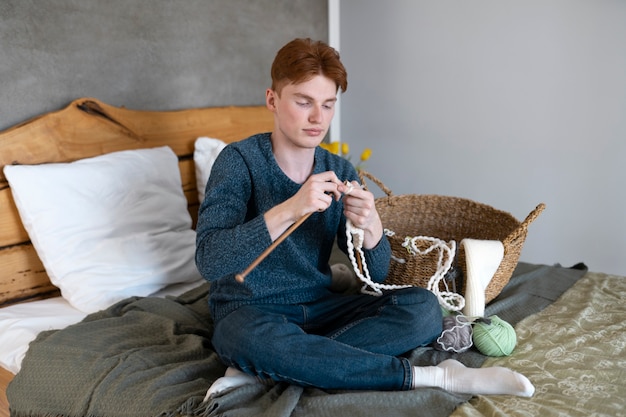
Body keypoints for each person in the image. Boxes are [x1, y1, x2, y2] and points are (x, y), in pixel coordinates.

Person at [195, 38, 534, 398]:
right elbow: (210, 259)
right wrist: (290, 208)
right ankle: (435, 376)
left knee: (422, 309)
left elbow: (377, 274)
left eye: (328, 105)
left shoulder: (339, 168)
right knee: (246, 339)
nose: (317, 118)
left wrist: (371, 230)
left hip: (320, 308)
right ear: (272, 100)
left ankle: (277, 367)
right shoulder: (238, 161)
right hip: (250, 312)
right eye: (304, 102)